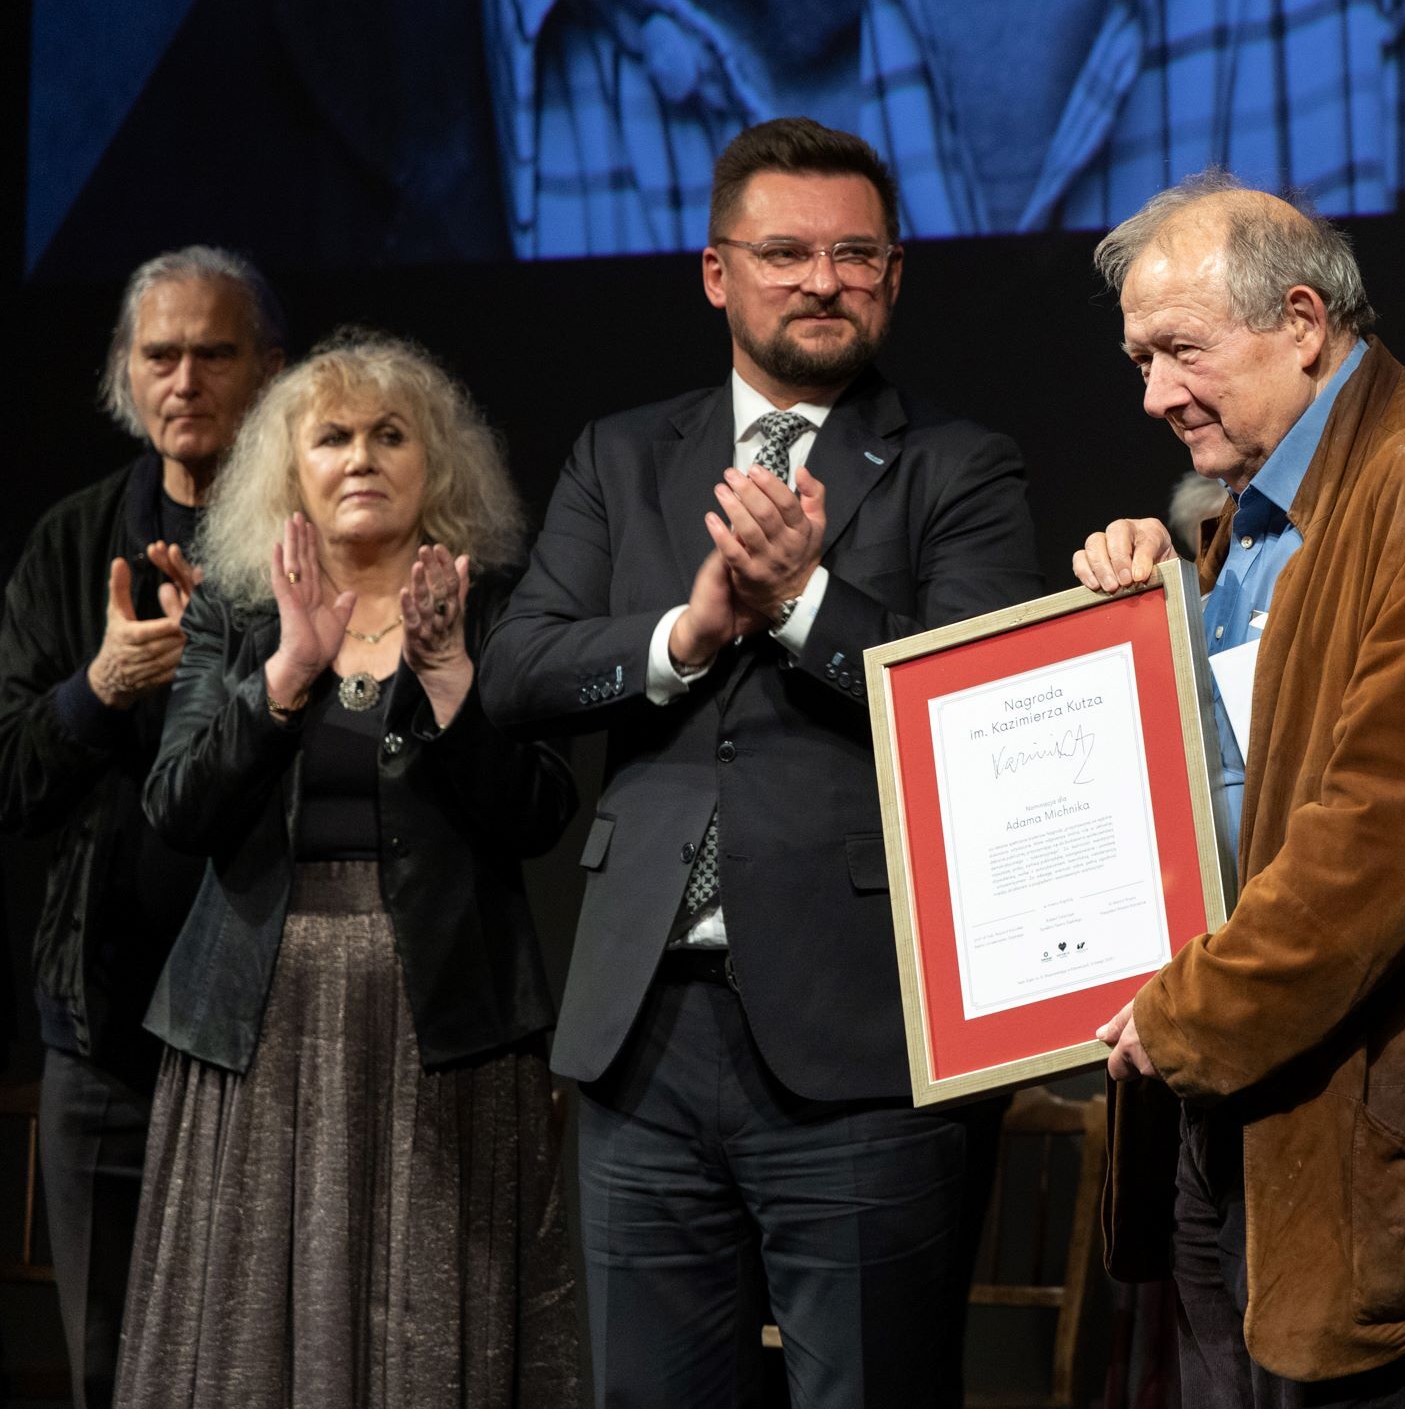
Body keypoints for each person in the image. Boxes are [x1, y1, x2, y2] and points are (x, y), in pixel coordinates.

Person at [480, 116, 1041, 1405]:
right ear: (716, 273)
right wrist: (687, 633)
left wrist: (800, 603)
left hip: (862, 1041)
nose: (822, 279)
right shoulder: (624, 456)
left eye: (856, 253)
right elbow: (517, 671)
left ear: (895, 275)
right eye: (785, 251)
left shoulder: (958, 466)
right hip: (645, 1029)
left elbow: (981, 701)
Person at [1072, 173, 1405, 1406]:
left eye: (1180, 350)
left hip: (1357, 1130)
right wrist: (1145, 615)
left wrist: (1186, 1015)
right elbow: (1242, 773)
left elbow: (1377, 844)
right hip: (1232, 1108)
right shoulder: (1256, 505)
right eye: (1139, 359)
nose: (1153, 394)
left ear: (1302, 320)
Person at [121, 329, 579, 1405]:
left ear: (438, 465)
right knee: (248, 1345)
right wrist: (283, 676)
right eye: (333, 437)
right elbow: (176, 808)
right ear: (294, 468)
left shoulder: (498, 607)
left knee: (427, 1331)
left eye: (389, 435)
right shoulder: (238, 614)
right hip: (257, 1020)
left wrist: (453, 678)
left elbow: (539, 813)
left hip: (444, 1025)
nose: (361, 456)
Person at [0, 246, 283, 1408]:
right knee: (112, 1371)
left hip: (275, 1036)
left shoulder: (311, 539)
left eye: (214, 353)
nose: (185, 379)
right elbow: (11, 781)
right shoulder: (73, 545)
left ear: (268, 370)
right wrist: (98, 688)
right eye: (159, 355)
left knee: (269, 1366)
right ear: (125, 372)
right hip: (105, 1039)